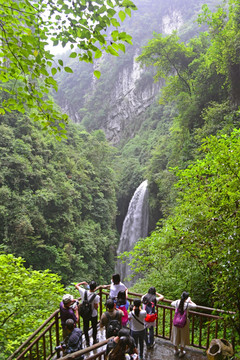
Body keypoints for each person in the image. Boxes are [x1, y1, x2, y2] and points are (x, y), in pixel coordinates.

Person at [171, 291, 197, 358]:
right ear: (187, 298)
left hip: (176, 322)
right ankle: (181, 352)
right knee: (183, 336)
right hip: (184, 323)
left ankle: (176, 350)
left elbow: (171, 303)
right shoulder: (187, 304)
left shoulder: (177, 302)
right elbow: (195, 306)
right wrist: (190, 301)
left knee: (175, 335)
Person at [75, 280, 100, 347]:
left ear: (89, 286)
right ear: (95, 288)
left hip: (85, 314)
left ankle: (87, 342)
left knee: (85, 328)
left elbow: (76, 286)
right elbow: (96, 307)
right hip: (93, 314)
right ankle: (94, 340)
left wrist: (83, 282)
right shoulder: (96, 296)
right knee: (94, 327)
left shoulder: (84, 292)